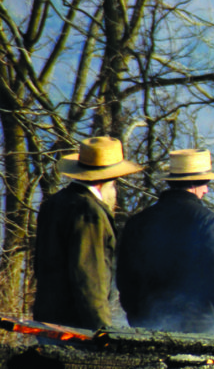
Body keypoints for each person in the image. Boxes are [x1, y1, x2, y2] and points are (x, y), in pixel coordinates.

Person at [116, 149, 214, 333]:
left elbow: (125, 275)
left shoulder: (137, 221)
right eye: (206, 183)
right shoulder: (209, 221)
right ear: (195, 183)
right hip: (197, 325)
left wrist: (135, 312)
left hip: (145, 321)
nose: (206, 190)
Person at [33, 136, 143, 331]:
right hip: (76, 327)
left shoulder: (55, 202)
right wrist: (103, 331)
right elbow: (90, 279)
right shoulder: (89, 211)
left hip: (47, 320)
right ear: (108, 180)